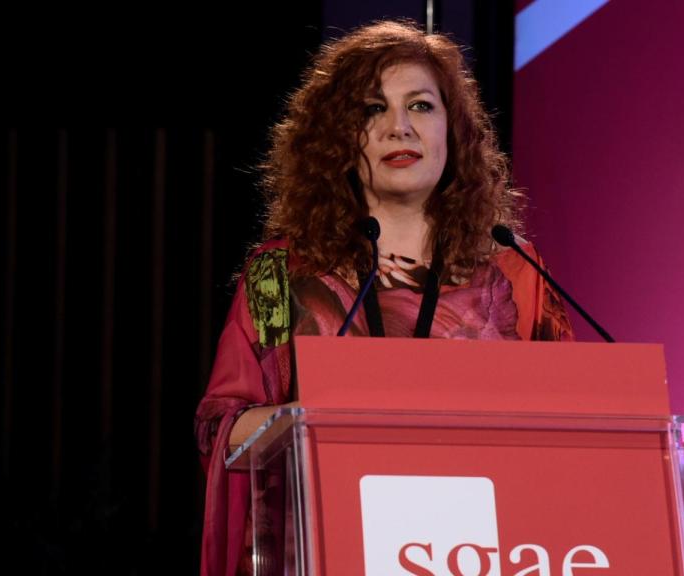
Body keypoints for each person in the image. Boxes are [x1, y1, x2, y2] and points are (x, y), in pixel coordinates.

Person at [194, 19, 573, 576]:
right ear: (338, 140)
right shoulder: (279, 274)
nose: (399, 128)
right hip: (325, 547)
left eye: (421, 106)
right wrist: (313, 419)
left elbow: (575, 420)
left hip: (485, 550)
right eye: (372, 109)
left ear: (455, 131)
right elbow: (220, 428)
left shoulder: (512, 267)